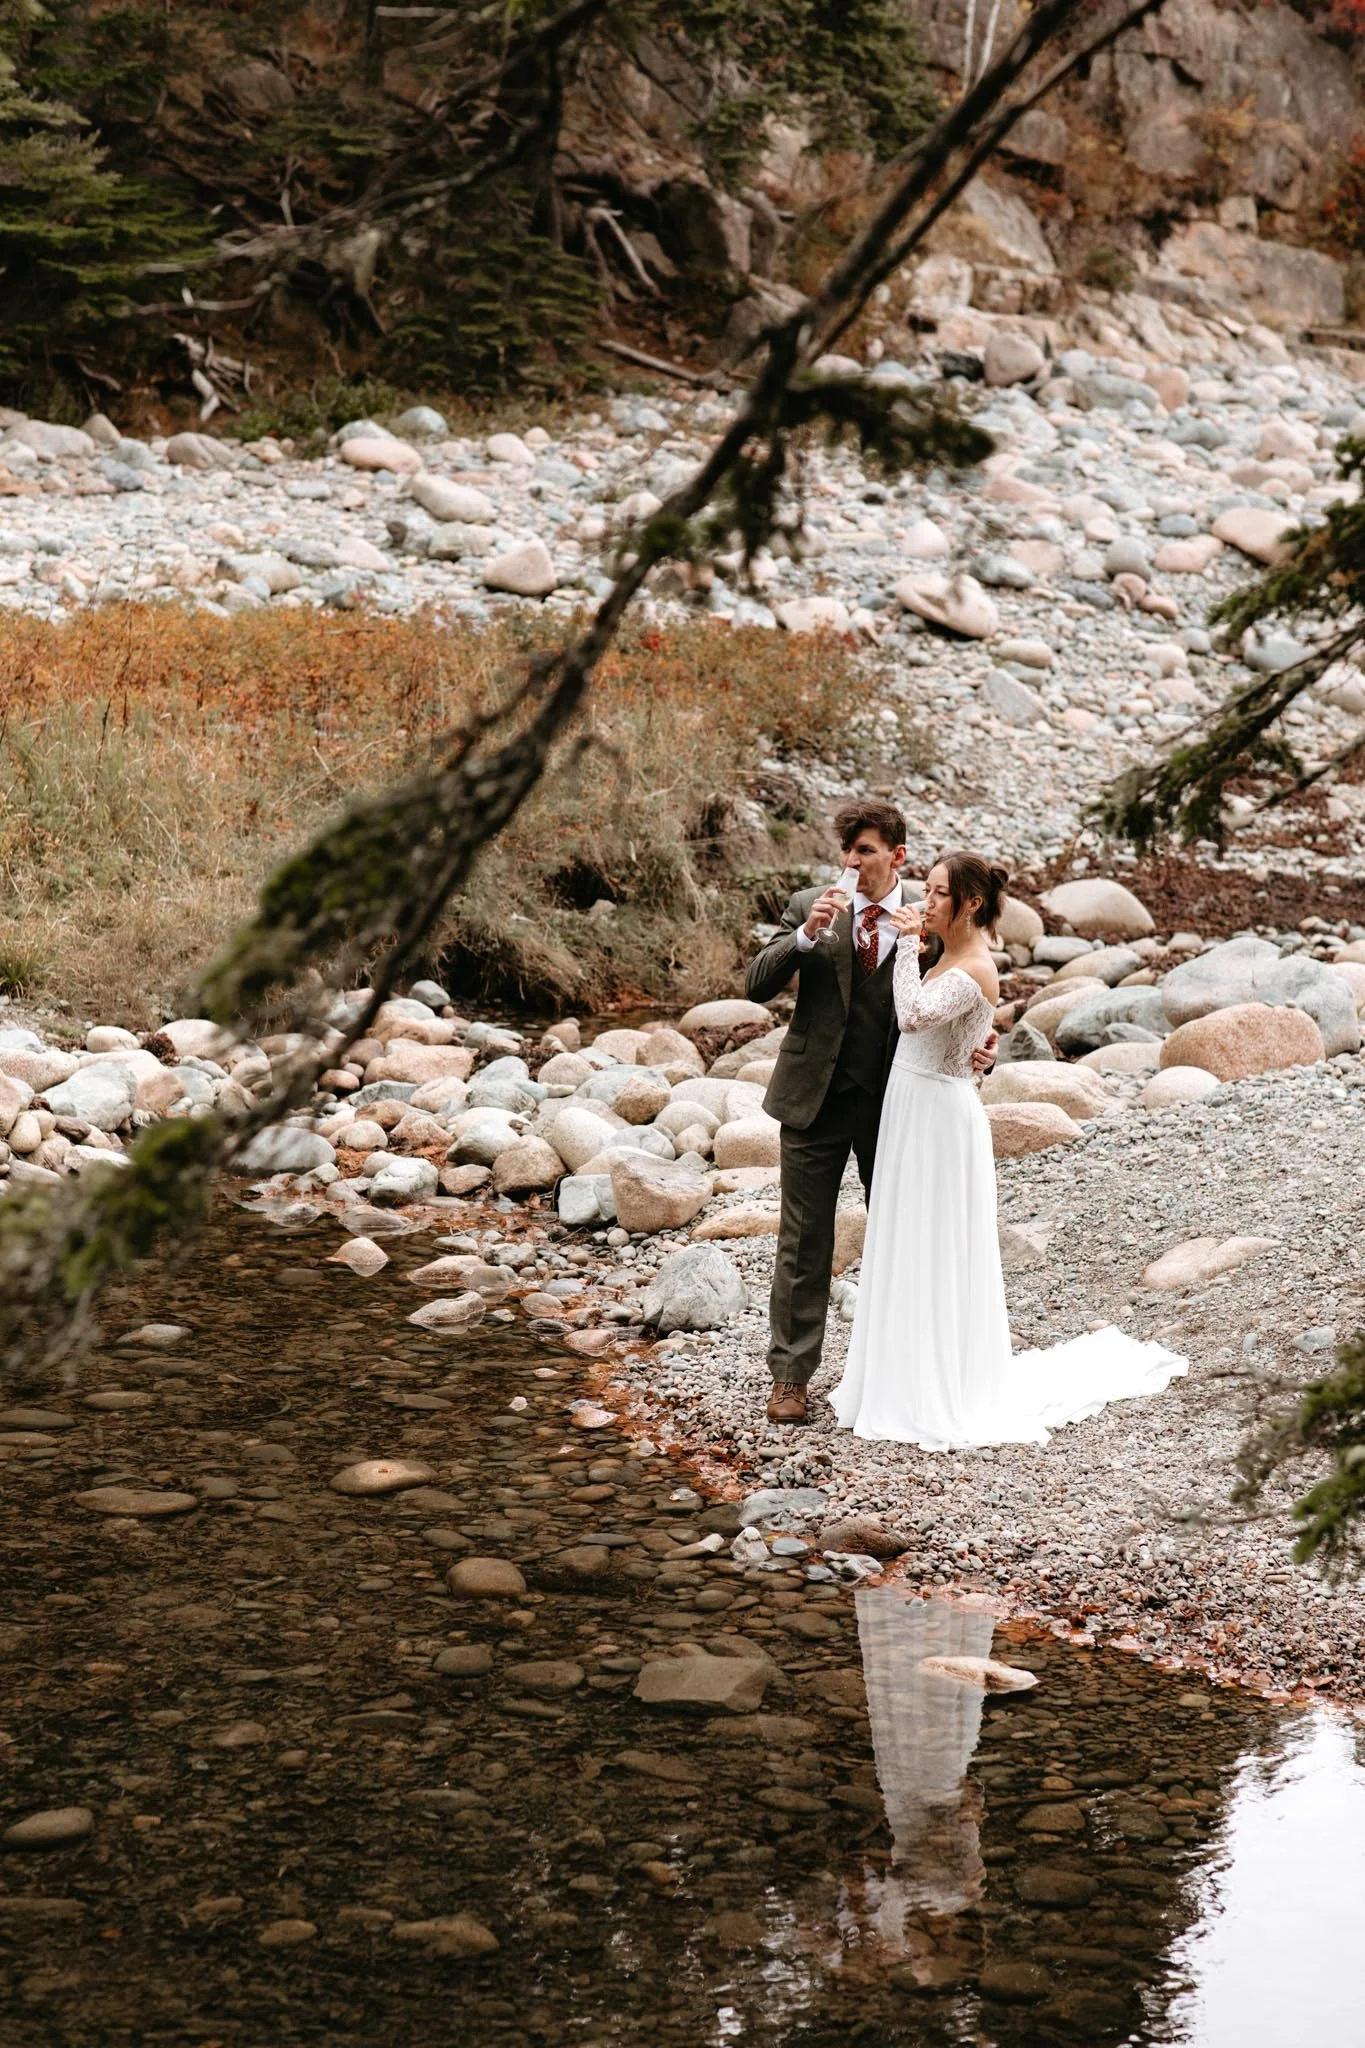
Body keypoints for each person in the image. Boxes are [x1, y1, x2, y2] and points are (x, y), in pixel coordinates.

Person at [830, 850, 1187, 1447]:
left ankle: (938, 1385)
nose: (928, 900)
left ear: (969, 903)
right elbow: (951, 1034)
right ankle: (901, 1374)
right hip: (913, 1106)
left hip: (939, 1120)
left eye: (939, 893)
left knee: (934, 1243)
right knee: (905, 1236)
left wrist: (906, 949)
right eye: (928, 890)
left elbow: (914, 1017)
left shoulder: (975, 967)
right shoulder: (949, 958)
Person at [745, 802, 995, 1426]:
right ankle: (791, 1379)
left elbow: (971, 992)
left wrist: (981, 1051)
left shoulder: (931, 918)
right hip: (813, 1101)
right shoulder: (812, 905)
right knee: (804, 1242)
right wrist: (805, 937)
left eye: (864, 851)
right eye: (847, 851)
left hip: (900, 1111)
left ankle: (905, 1376)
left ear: (896, 856)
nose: (851, 862)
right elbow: (755, 983)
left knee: (903, 1238)